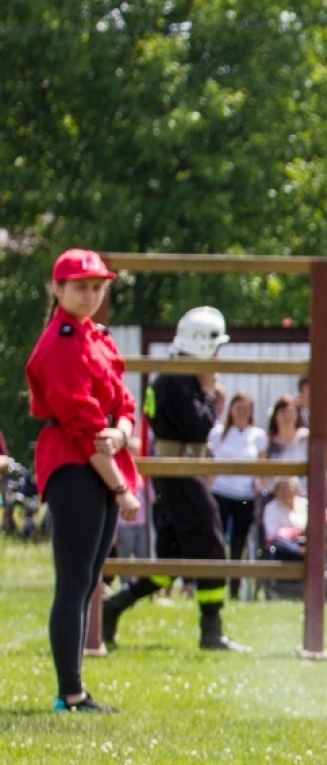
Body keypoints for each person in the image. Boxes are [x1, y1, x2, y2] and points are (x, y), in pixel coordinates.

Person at [26, 249, 142, 712]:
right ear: (57, 289)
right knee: (74, 583)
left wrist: (123, 433)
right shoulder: (61, 343)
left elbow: (124, 403)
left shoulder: (96, 336)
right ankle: (70, 693)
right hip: (74, 464)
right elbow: (81, 423)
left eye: (98, 287)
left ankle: (75, 691)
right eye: (81, 286)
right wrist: (120, 488)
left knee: (88, 580)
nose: (91, 295)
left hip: (100, 458)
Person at [102, 306, 248, 652]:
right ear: (202, 345)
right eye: (216, 348)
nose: (218, 357)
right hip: (180, 474)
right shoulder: (179, 379)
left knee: (174, 554)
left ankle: (115, 605)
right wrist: (209, 393)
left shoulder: (174, 377)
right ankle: (211, 630)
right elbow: (198, 427)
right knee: (211, 546)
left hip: (176, 473)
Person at [208, 392, 266, 562]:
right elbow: (209, 459)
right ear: (231, 409)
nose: (242, 412)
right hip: (221, 491)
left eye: (246, 408)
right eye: (238, 407)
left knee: (239, 541)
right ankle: (217, 573)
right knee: (217, 537)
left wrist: (260, 485)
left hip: (245, 495)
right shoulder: (217, 433)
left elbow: (263, 464)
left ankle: (235, 577)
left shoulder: (258, 435)